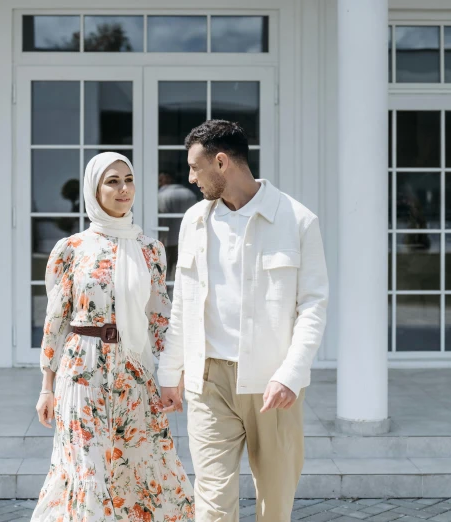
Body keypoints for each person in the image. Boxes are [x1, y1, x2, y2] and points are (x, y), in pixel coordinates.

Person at [158, 120, 329, 522]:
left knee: (274, 502)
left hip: (272, 382)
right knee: (212, 504)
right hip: (208, 380)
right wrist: (170, 372)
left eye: (195, 168)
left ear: (221, 163)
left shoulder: (298, 221)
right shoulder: (195, 222)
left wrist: (291, 373)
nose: (189, 178)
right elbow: (182, 301)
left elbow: (314, 306)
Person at [32, 152, 195, 522]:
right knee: (87, 468)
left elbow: (158, 318)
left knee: (144, 463)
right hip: (81, 368)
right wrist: (46, 384)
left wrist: (173, 376)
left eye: (129, 179)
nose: (124, 189)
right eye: (112, 181)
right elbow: (55, 320)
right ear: (94, 188)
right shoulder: (71, 249)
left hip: (133, 370)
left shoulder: (150, 250)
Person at [158, 172, 197, 280]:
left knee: (167, 267)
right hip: (188, 235)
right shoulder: (188, 193)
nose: (159, 183)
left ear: (169, 179)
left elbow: (162, 219)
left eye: (161, 180)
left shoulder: (161, 195)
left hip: (168, 237)